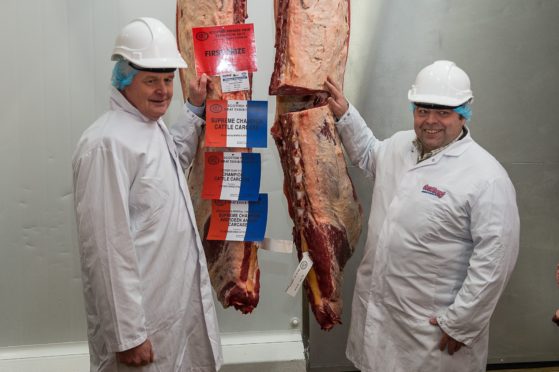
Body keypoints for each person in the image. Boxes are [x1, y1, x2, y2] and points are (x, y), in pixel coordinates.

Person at [325, 60, 520, 371]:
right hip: (380, 317)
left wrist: (463, 322)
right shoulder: (401, 145)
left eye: (443, 112)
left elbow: (496, 259)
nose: (431, 121)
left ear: (463, 112)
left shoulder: (486, 176)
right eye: (422, 110)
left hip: (431, 334)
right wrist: (346, 114)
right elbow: (368, 154)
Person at [72, 17, 222, 371]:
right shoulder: (105, 144)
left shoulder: (150, 128)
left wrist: (195, 110)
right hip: (143, 326)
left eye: (168, 80)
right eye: (151, 80)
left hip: (170, 311)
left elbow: (171, 163)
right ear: (124, 79)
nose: (163, 91)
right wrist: (128, 336)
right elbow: (105, 248)